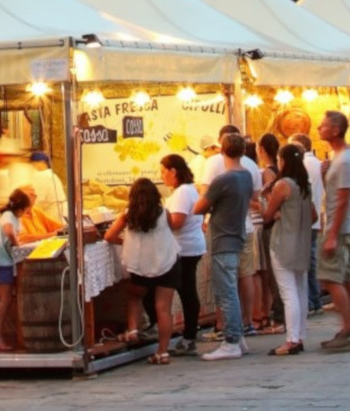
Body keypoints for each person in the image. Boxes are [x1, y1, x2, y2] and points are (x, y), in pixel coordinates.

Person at [104, 177, 181, 364]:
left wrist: (126, 242)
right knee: (163, 309)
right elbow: (170, 232)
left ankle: (132, 330)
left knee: (134, 296)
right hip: (166, 262)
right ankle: (162, 352)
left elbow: (109, 235)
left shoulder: (128, 215)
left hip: (140, 265)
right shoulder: (165, 213)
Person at [192, 132, 254, 361]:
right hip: (236, 234)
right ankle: (238, 337)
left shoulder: (224, 179)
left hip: (223, 237)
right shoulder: (246, 175)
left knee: (226, 292)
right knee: (230, 290)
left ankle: (231, 341)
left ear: (222, 151)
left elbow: (199, 207)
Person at [262, 142, 315, 356]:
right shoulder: (304, 185)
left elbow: (267, 215)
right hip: (302, 240)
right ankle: (299, 335)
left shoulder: (283, 184)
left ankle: (292, 339)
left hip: (283, 241)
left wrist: (274, 213)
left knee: (288, 292)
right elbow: (314, 216)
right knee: (300, 288)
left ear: (282, 161)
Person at [317, 110, 350, 352]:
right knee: (346, 277)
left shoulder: (345, 159)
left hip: (343, 228)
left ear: (335, 130)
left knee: (332, 278)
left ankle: (347, 329)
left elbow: (343, 199)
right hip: (348, 226)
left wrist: (332, 234)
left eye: (323, 125)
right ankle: (349, 327)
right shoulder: (342, 158)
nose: (319, 128)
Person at [160, 154, 205, 357]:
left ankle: (188, 337)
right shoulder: (187, 191)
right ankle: (189, 335)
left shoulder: (182, 193)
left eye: (163, 172)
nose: (162, 177)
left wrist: (158, 222)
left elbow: (177, 221)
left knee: (186, 291)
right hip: (189, 246)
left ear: (173, 171)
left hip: (184, 248)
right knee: (187, 290)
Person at [0, 188, 30, 351]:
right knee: (5, 299)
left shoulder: (10, 216)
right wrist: (17, 245)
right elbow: (9, 231)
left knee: (8, 299)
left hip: (5, 261)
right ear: (22, 208)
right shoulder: (8, 216)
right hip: (1, 262)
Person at [289, 133, 325, 315]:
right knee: (310, 258)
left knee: (305, 260)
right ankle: (314, 299)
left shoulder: (303, 165)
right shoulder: (318, 164)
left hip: (304, 219)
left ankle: (311, 300)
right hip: (315, 217)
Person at [254, 133, 282, 334]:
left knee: (273, 274)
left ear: (262, 149)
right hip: (274, 226)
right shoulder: (278, 170)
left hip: (270, 226)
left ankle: (277, 317)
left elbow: (269, 203)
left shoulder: (268, 173)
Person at [28, 151, 67, 221]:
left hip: (54, 214)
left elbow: (38, 200)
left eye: (34, 163)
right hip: (63, 210)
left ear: (42, 163)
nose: (33, 166)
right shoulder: (51, 174)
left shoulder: (41, 176)